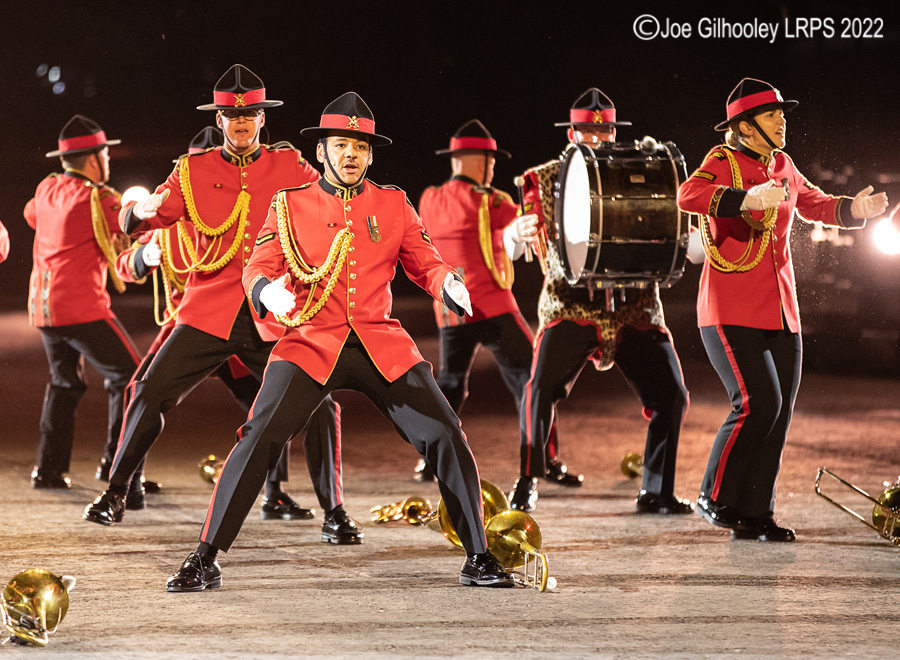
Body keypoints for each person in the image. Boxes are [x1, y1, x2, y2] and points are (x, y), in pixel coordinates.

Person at [166, 91, 514, 592]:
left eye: (360, 146)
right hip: (310, 340)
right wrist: (266, 291)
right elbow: (257, 266)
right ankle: (205, 557)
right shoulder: (289, 204)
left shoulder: (393, 202)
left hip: (379, 343)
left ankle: (478, 557)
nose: (351, 153)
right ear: (323, 151)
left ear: (370, 154)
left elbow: (424, 260)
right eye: (340, 144)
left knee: (445, 433)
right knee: (258, 436)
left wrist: (448, 283)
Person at [83, 64, 340, 528]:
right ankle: (117, 492)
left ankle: (334, 512)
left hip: (271, 313)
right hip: (208, 312)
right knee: (147, 389)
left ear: (262, 119)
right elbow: (138, 221)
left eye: (250, 115)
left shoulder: (289, 165)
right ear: (219, 121)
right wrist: (135, 211)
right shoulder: (191, 170)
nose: (241, 123)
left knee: (320, 403)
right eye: (232, 117)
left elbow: (331, 200)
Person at [677, 78, 888, 541]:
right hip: (728, 310)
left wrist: (858, 208)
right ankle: (713, 494)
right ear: (746, 127)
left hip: (781, 311)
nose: (783, 120)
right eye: (773, 115)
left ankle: (754, 513)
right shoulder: (723, 160)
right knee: (757, 403)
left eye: (782, 113)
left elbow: (814, 203)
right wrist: (744, 200)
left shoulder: (783, 165)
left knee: (779, 412)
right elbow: (687, 195)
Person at [110, 125, 313, 516]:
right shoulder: (174, 212)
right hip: (190, 323)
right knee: (143, 392)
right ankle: (126, 484)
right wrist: (141, 259)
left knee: (270, 404)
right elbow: (126, 264)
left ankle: (275, 492)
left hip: (247, 325)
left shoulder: (244, 208)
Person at [508, 88, 692, 516]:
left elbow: (673, 228)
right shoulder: (547, 177)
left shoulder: (641, 169)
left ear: (612, 132)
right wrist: (515, 235)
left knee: (673, 395)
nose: (595, 137)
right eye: (587, 130)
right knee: (539, 390)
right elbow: (520, 243)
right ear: (571, 133)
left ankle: (655, 491)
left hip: (636, 308)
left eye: (603, 129)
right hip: (571, 305)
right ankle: (527, 479)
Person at [415, 119, 579, 487]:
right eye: (490, 160)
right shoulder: (493, 202)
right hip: (492, 305)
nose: (493, 167)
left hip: (449, 309)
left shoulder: (429, 199)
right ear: (480, 161)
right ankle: (544, 459)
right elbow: (527, 227)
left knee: (451, 383)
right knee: (532, 381)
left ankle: (430, 458)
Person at [25, 115, 141, 491]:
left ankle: (48, 470)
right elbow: (133, 224)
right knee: (132, 378)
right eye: (105, 153)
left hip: (44, 308)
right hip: (80, 307)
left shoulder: (46, 190)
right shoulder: (100, 198)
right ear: (95, 158)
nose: (108, 160)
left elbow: (31, 216)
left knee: (64, 383)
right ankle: (117, 468)